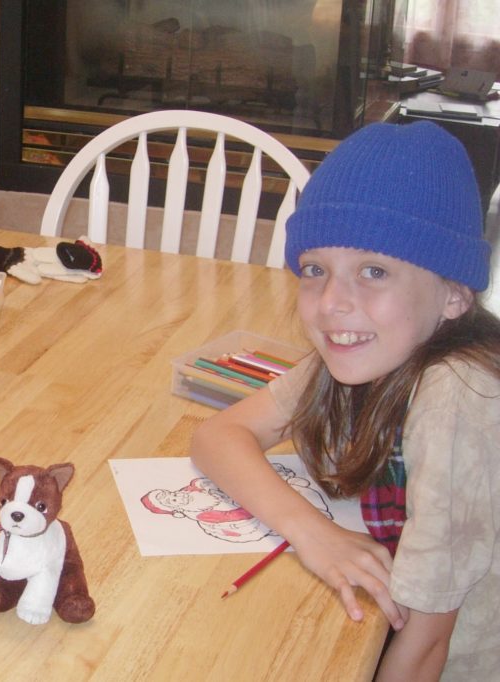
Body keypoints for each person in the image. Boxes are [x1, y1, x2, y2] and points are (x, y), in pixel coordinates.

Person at [190, 121, 498, 681]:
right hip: (382, 619)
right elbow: (216, 436)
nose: (332, 303)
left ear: (453, 294)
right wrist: (313, 533)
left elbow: (429, 642)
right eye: (315, 270)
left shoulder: (459, 397)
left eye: (373, 272)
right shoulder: (363, 351)